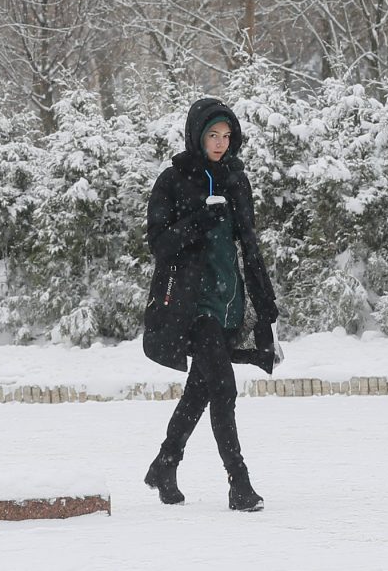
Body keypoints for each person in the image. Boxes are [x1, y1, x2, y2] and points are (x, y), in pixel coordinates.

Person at [141, 96, 281, 512]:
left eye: (226, 136)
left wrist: (264, 307)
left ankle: (165, 464)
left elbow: (250, 245)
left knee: (199, 390)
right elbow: (158, 243)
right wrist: (198, 220)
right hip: (191, 304)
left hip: (228, 302)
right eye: (212, 135)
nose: (220, 143)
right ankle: (239, 484)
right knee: (223, 387)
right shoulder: (173, 179)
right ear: (196, 136)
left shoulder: (237, 178)